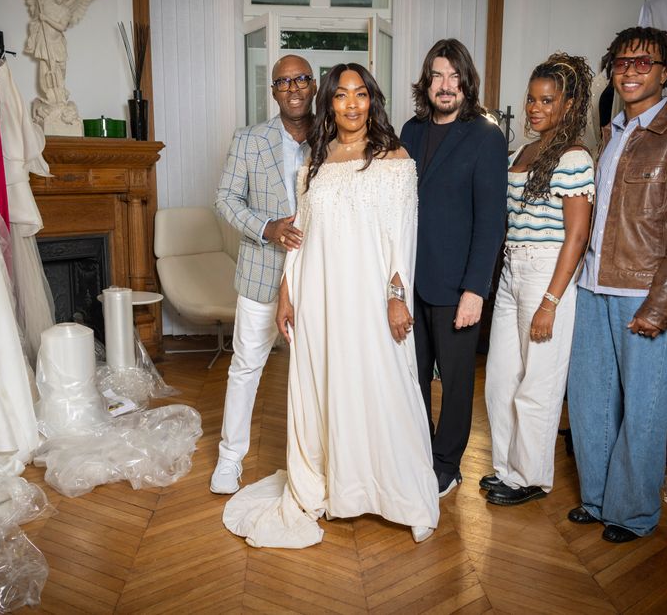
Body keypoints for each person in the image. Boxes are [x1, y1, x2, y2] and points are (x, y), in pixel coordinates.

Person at [222, 63, 439, 547]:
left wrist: (397, 298)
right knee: (326, 387)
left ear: (372, 101)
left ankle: (406, 494)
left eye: (361, 94)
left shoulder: (394, 157)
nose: (352, 104)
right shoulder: (315, 163)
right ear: (331, 103)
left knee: (386, 387)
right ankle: (337, 484)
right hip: (318, 298)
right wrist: (285, 293)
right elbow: (300, 236)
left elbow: (402, 236)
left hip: (370, 298)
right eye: (342, 96)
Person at [566, 27, 667, 542]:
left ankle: (631, 513)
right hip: (592, 286)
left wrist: (662, 304)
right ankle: (597, 498)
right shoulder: (611, 136)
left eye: (643, 63)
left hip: (643, 293)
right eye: (622, 63)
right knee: (590, 400)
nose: (630, 71)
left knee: (644, 408)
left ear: (665, 71)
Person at [480, 53, 595, 506]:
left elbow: (578, 235)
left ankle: (530, 476)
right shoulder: (519, 154)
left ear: (567, 106)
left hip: (550, 271)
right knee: (500, 378)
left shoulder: (574, 157)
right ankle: (505, 468)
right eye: (531, 99)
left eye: (547, 100)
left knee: (538, 382)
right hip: (512, 269)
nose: (534, 108)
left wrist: (550, 300)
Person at [400, 39, 508, 497]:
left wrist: (475, 290)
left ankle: (447, 464)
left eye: (454, 77)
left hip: (457, 285)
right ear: (426, 82)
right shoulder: (409, 131)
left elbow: (490, 223)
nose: (445, 86)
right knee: (412, 376)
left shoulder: (486, 136)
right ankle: (420, 451)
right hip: (410, 282)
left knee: (458, 383)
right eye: (437, 76)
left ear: (466, 83)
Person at [211, 55, 317, 494]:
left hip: (316, 276)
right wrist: (266, 228)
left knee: (314, 371)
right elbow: (225, 199)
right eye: (283, 82)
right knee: (246, 366)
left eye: (301, 80)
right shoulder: (249, 139)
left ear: (314, 86)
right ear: (272, 91)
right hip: (260, 273)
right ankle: (229, 459)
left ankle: (313, 462)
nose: (293, 89)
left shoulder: (334, 139)